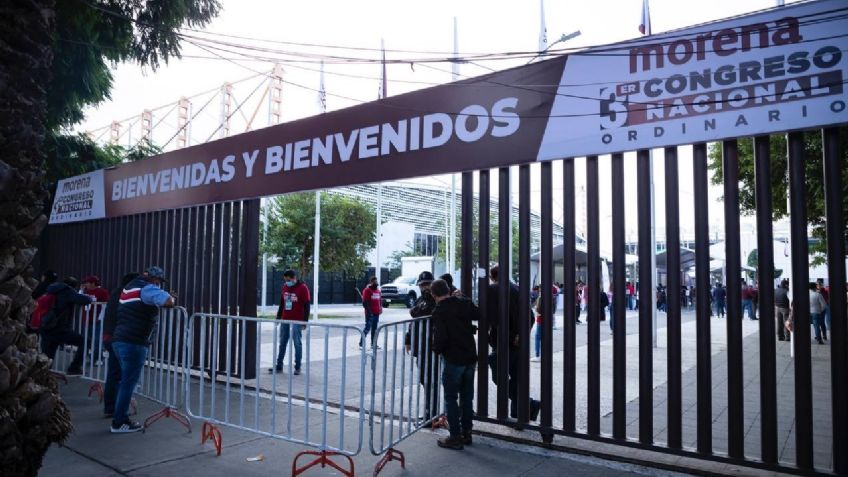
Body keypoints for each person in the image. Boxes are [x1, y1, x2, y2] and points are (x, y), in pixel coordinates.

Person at [110, 266, 176, 433]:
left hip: (119, 340)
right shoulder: (148, 289)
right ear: (155, 279)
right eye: (159, 282)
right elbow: (168, 301)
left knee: (123, 381)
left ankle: (118, 415)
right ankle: (119, 422)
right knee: (128, 383)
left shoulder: (129, 288)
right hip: (134, 342)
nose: (159, 285)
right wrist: (171, 299)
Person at [486, 264, 540, 421]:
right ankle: (518, 413)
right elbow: (530, 316)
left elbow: (493, 319)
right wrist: (520, 335)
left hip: (503, 341)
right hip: (519, 342)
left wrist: (511, 337)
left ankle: (528, 404)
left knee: (499, 376)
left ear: (492, 277)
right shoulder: (519, 289)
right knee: (517, 379)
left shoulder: (492, 290)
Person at [430, 279, 479, 450]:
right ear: (449, 290)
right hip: (470, 356)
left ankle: (455, 436)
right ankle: (467, 433)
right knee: (467, 397)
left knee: (451, 398)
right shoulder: (463, 304)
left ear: (433, 294)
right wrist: (464, 298)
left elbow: (441, 337)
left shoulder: (439, 311)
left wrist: (435, 350)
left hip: (453, 358)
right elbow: (478, 314)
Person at [39, 276, 96, 376]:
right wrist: (89, 298)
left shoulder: (52, 289)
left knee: (47, 357)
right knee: (86, 341)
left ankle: (41, 377)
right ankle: (74, 368)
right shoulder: (67, 291)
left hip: (46, 327)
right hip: (59, 329)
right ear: (73, 286)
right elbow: (83, 300)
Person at [102, 272, 139, 417]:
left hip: (110, 336)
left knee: (114, 374)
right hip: (119, 338)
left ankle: (110, 408)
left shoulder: (117, 293)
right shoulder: (126, 295)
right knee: (122, 375)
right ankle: (117, 412)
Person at [404, 271, 439, 421]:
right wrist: (408, 339)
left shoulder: (434, 300)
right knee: (425, 380)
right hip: (421, 346)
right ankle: (430, 412)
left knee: (431, 381)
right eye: (422, 285)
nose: (424, 288)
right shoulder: (420, 299)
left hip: (431, 348)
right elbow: (414, 320)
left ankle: (431, 414)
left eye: (427, 284)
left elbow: (416, 313)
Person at [270, 269, 311, 375]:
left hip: (297, 321)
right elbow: (282, 303)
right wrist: (278, 316)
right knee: (282, 343)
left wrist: (304, 322)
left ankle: (297, 367)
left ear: (293, 278)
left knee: (297, 343)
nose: (287, 282)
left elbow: (307, 305)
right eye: (285, 280)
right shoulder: (285, 286)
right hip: (285, 319)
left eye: (288, 280)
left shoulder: (303, 288)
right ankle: (279, 366)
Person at [82, 275, 110, 362]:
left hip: (97, 319)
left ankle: (97, 358)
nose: (85, 284)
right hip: (86, 319)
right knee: (86, 339)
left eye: (87, 282)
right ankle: (86, 357)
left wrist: (100, 317)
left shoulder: (102, 292)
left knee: (97, 339)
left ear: (93, 283)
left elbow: (105, 305)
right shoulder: (85, 291)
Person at [360, 276, 382, 349]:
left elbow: (380, 300)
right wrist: (370, 312)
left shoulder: (378, 291)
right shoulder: (367, 290)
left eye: (376, 281)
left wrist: (380, 308)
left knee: (375, 329)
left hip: (377, 313)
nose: (376, 282)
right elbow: (365, 302)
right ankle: (361, 344)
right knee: (367, 328)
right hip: (370, 314)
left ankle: (373, 344)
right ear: (371, 282)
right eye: (374, 281)